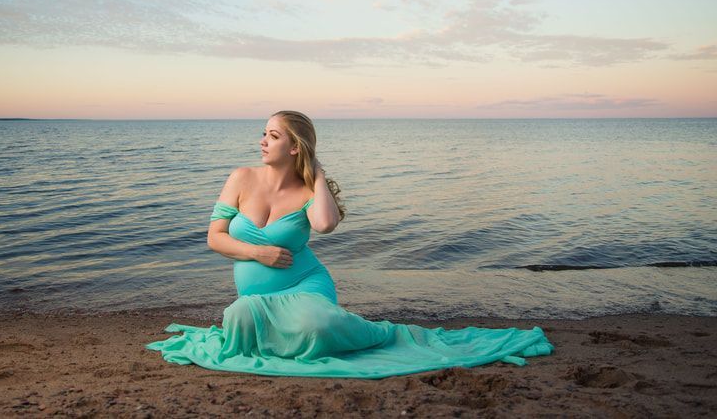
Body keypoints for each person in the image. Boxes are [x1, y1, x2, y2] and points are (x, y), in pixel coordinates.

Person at [146, 110, 553, 378]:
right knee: (237, 319)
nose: (262, 141)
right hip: (256, 296)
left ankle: (381, 335)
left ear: (294, 147)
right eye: (263, 133)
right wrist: (257, 252)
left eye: (272, 135)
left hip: (304, 285)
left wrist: (317, 173)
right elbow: (214, 238)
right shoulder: (240, 178)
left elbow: (324, 224)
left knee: (317, 324)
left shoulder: (309, 189)